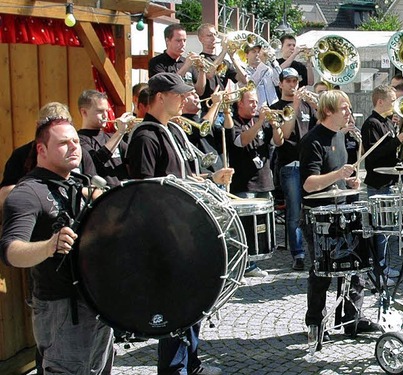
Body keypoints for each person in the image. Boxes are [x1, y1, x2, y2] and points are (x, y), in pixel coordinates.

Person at [127, 73, 233, 375]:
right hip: (164, 238)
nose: (187, 98)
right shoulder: (146, 137)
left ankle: (192, 364)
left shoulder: (168, 131)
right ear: (161, 97)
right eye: (180, 94)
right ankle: (176, 371)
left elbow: (181, 180)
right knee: (176, 309)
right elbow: (145, 190)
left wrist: (211, 179)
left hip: (181, 232)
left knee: (191, 306)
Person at [0, 114, 114, 374]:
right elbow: (10, 251)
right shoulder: (28, 193)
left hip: (95, 304)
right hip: (62, 309)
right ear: (42, 149)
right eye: (64, 143)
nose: (75, 147)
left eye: (76, 141)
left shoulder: (74, 184)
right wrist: (49, 245)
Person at [299, 89, 381, 342]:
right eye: (344, 108)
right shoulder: (313, 141)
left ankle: (351, 319)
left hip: (342, 211)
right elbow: (309, 184)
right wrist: (339, 176)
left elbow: (339, 178)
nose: (349, 112)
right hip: (318, 216)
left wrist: (351, 183)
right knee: (321, 270)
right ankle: (315, 322)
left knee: (356, 268)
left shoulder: (341, 138)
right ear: (328, 111)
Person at [226, 87, 284, 277]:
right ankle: (242, 265)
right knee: (243, 228)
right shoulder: (233, 122)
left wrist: (275, 125)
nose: (255, 105)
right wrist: (259, 121)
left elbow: (279, 142)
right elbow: (241, 141)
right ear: (239, 103)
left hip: (264, 180)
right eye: (250, 101)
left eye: (256, 101)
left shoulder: (263, 123)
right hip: (243, 183)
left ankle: (254, 261)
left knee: (260, 226)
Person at [361, 84, 403, 283]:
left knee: (386, 230)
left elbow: (391, 152)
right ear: (380, 102)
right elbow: (373, 155)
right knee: (378, 230)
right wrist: (398, 140)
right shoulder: (371, 124)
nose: (395, 104)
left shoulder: (389, 122)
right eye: (392, 100)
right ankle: (377, 270)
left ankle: (382, 265)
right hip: (377, 182)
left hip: (389, 180)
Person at [270, 68, 317, 271]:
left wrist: (315, 103)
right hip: (290, 164)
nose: (292, 84)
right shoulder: (276, 107)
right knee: (294, 213)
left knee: (314, 210)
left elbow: (321, 126)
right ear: (280, 84)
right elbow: (283, 138)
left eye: (295, 80)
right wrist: (295, 106)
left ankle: (316, 251)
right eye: (288, 81)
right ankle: (298, 254)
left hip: (309, 165)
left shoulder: (307, 106)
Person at [77, 90, 132, 187]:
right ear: (84, 112)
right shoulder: (79, 139)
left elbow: (133, 158)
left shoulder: (111, 136)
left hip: (124, 191)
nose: (105, 115)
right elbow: (97, 161)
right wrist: (120, 132)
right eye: (100, 111)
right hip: (104, 195)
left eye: (106, 111)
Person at [196, 23, 246, 113]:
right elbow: (209, 74)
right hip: (206, 109)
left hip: (222, 108)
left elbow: (244, 80)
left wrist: (232, 57)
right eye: (209, 35)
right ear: (200, 39)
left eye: (215, 34)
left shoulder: (224, 62)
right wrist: (224, 50)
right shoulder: (199, 60)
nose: (214, 38)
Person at [148, 24, 205, 97]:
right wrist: (186, 66)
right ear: (167, 41)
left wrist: (202, 70)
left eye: (184, 40)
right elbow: (166, 88)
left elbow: (200, 91)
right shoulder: (157, 62)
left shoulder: (187, 61)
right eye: (178, 41)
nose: (182, 44)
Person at [244, 43, 280, 108]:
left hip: (274, 106)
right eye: (254, 52)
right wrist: (263, 63)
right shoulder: (244, 71)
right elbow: (252, 84)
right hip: (257, 109)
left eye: (259, 52)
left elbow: (278, 81)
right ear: (246, 55)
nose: (257, 54)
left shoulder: (268, 68)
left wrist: (273, 60)